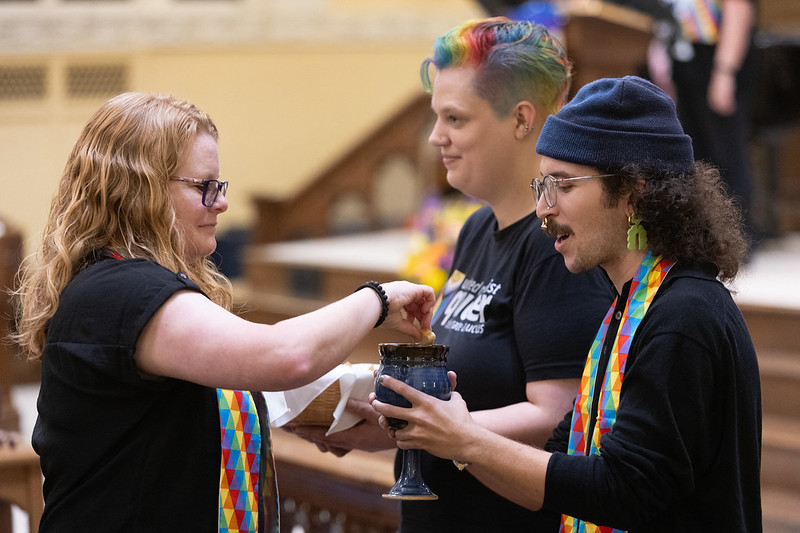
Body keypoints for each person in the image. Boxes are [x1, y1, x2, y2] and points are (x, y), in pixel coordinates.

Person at [11, 92, 436, 532]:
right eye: (204, 187)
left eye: (220, 186)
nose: (221, 203)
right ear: (140, 191)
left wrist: (345, 400)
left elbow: (208, 395)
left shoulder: (129, 285)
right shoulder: (119, 291)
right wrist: (378, 298)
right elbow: (286, 355)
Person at [372, 76, 762, 532]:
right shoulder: (627, 306)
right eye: (542, 186)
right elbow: (560, 469)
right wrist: (453, 437)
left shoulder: (684, 316)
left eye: (563, 185)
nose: (543, 208)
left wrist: (464, 440)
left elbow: (623, 491)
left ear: (633, 193)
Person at [288, 18, 614, 532]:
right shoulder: (478, 228)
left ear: (521, 119)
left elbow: (560, 417)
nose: (435, 136)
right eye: (436, 116)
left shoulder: (556, 246)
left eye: (455, 118)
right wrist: (389, 418)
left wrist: (413, 428)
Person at [648, 0, 762, 245]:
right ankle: (704, 239)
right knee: (694, 155)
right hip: (685, 62)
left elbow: (738, 10)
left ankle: (738, 241)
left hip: (717, 62)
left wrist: (725, 72)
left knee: (726, 153)